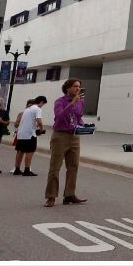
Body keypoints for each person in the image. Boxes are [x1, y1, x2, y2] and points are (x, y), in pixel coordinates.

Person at [43, 77, 87, 207]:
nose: (78, 89)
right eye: (75, 86)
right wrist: (72, 103)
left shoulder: (81, 102)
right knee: (55, 167)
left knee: (73, 166)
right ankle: (51, 196)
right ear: (68, 88)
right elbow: (60, 117)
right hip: (60, 136)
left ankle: (69, 194)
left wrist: (85, 126)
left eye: (79, 86)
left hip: (74, 136)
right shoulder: (60, 101)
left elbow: (78, 118)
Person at [11, 95, 45, 176]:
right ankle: (27, 170)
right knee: (30, 151)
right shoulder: (37, 109)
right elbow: (39, 121)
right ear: (41, 102)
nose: (42, 106)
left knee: (20, 151)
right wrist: (41, 129)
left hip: (21, 134)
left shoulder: (26, 110)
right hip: (30, 134)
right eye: (43, 104)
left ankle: (17, 169)